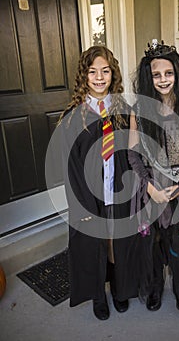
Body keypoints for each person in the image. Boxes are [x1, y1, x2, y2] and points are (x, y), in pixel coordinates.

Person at [128, 39, 179, 317]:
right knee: (152, 242)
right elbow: (133, 155)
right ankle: (153, 286)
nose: (163, 79)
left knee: (178, 241)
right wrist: (150, 188)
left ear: (177, 73)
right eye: (156, 74)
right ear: (148, 77)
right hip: (149, 186)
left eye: (168, 73)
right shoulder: (138, 111)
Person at [59, 45, 141, 320]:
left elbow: (134, 153)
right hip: (88, 194)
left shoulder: (123, 111)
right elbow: (69, 166)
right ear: (84, 76)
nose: (99, 77)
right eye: (92, 71)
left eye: (105, 71)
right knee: (92, 244)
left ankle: (119, 287)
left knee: (116, 240)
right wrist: (80, 205)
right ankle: (98, 295)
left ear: (112, 74)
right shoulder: (74, 116)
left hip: (117, 188)